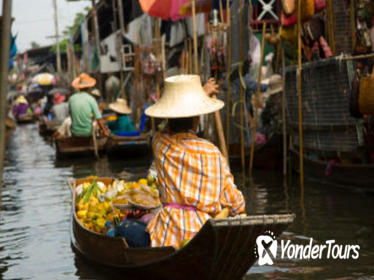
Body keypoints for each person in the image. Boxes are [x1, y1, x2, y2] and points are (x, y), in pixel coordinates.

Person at [116, 75, 246, 248]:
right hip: (203, 235)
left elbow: (162, 125)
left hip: (166, 237)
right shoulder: (213, 152)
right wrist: (239, 211)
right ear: (196, 119)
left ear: (169, 118)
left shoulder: (161, 144)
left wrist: (201, 96)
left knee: (123, 228)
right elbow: (236, 203)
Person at [69, 73, 109, 137]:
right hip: (88, 133)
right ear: (89, 87)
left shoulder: (71, 98)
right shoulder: (91, 99)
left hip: (74, 132)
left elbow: (71, 115)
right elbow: (99, 119)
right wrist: (104, 131)